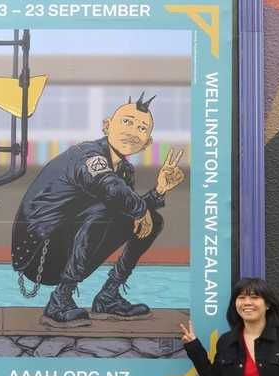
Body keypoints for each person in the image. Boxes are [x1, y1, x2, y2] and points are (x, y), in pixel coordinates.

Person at [12, 92, 185, 328]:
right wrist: (138, 208)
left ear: (148, 142)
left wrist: (160, 190)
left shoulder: (124, 170)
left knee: (152, 219)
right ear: (106, 125)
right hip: (38, 253)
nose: (133, 131)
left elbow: (132, 214)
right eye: (127, 122)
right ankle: (59, 302)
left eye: (142, 128)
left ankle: (108, 296)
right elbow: (111, 189)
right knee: (109, 210)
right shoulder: (87, 155)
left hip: (65, 248)